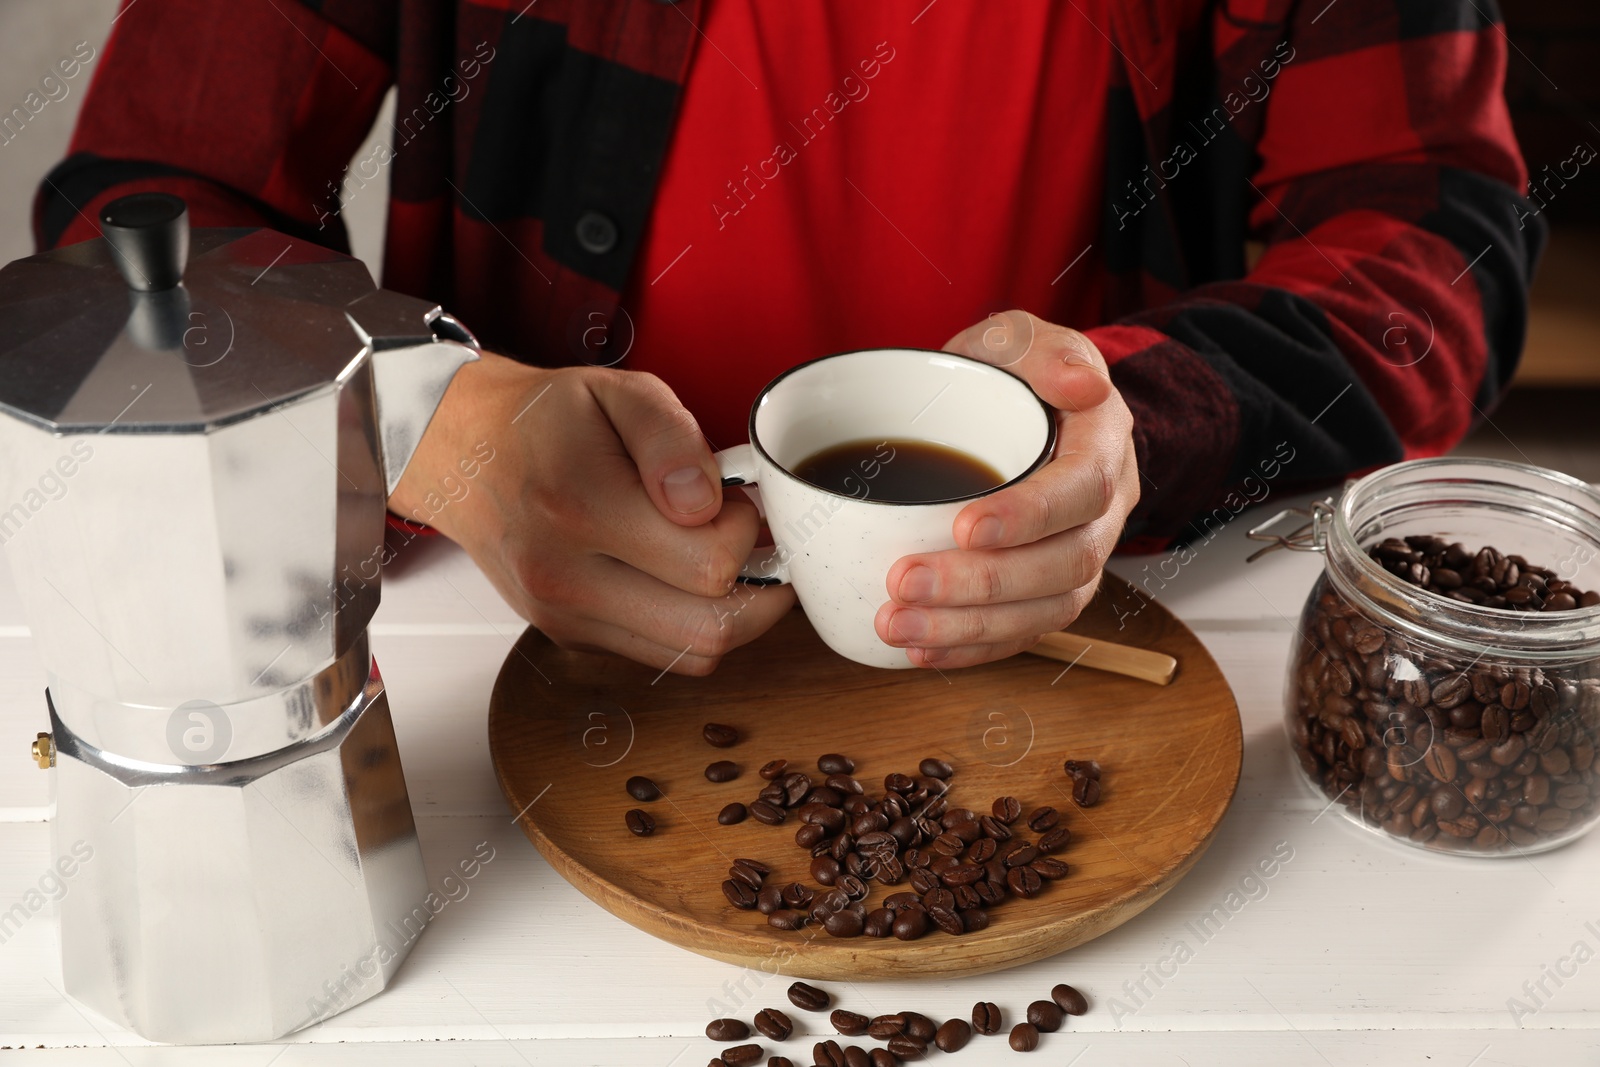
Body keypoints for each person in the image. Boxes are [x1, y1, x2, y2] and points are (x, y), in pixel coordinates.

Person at [36, 0, 1541, 675]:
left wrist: (1145, 423)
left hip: (1098, 630)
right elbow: (131, 228)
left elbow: (1438, 236)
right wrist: (435, 421)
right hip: (487, 644)